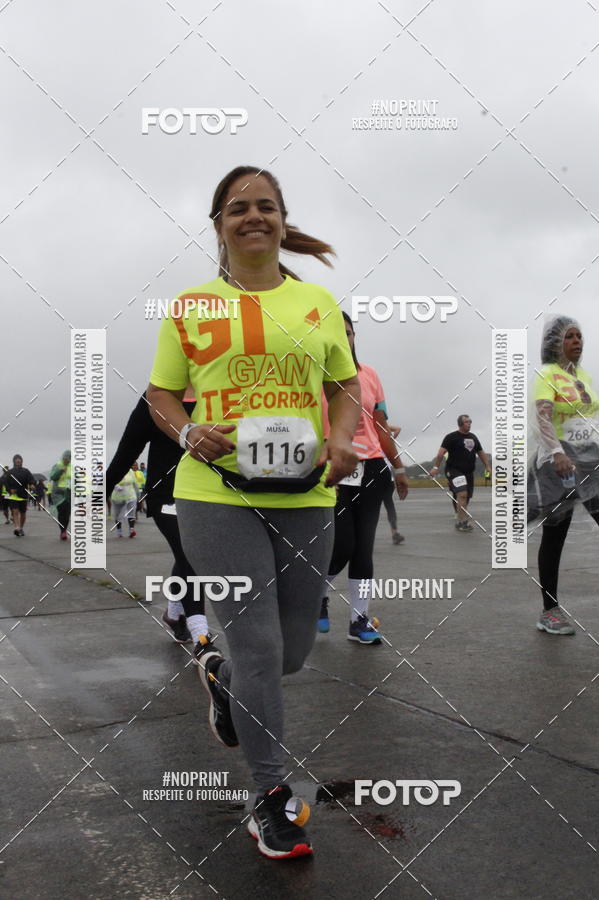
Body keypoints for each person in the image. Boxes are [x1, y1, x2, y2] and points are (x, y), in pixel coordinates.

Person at [147, 165, 360, 860]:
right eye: (238, 208)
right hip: (216, 495)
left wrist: (338, 438)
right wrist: (186, 431)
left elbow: (344, 388)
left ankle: (222, 679)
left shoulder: (319, 304)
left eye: (266, 206)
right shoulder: (191, 307)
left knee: (291, 653)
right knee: (263, 649)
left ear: (280, 220)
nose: (254, 217)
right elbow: (161, 395)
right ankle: (269, 798)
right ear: (219, 225)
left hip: (307, 496)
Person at [317, 314, 409, 640]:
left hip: (371, 468)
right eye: (337, 334)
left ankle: (359, 621)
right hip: (334, 468)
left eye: (349, 333)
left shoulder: (369, 375)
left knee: (363, 550)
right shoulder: (316, 375)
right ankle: (318, 595)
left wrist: (397, 467)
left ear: (355, 336)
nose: (344, 339)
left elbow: (381, 425)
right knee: (342, 545)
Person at [106, 391, 208, 643]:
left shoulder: (214, 389)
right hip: (166, 496)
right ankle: (202, 637)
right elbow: (128, 450)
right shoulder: (157, 399)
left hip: (206, 494)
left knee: (187, 555)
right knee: (191, 553)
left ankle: (174, 612)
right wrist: (100, 492)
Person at [528, 316, 599, 635]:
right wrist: (557, 453)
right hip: (558, 464)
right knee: (556, 535)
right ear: (555, 342)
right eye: (570, 336)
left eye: (579, 336)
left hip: (588, 460)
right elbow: (543, 418)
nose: (577, 341)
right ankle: (549, 611)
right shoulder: (548, 374)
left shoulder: (583, 375)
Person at [429, 415, 490, 532]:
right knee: (462, 494)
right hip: (454, 470)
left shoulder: (473, 437)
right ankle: (462, 522)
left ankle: (460, 515)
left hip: (469, 472)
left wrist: (487, 466)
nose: (469, 424)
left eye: (470, 421)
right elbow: (441, 453)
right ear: (460, 424)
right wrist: (436, 467)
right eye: (467, 422)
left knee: (466, 497)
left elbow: (480, 452)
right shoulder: (451, 437)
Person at [382, 425, 405, 545]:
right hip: (371, 476)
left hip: (386, 477)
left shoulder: (386, 442)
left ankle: (395, 532)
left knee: (389, 505)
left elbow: (398, 429)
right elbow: (397, 429)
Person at [2, 454, 35, 536]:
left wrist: (32, 484)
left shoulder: (26, 471)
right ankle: (16, 527)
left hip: (23, 495)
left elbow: (32, 479)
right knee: (15, 511)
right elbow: (6, 483)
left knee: (23, 514)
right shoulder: (10, 472)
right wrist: (10, 490)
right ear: (14, 461)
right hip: (14, 496)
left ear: (21, 461)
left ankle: (21, 528)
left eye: (19, 459)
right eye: (16, 460)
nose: (18, 461)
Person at [49, 451, 72, 540]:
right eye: (66, 458)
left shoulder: (71, 467)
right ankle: (63, 531)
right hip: (57, 493)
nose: (68, 460)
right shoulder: (57, 466)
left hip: (68, 492)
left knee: (67, 513)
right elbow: (52, 477)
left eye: (70, 459)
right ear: (63, 458)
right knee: (62, 510)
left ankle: (64, 529)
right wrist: (61, 470)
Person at [110, 468, 139, 538]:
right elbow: (110, 481)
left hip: (130, 495)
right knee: (117, 514)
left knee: (131, 513)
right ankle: (119, 531)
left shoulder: (131, 471)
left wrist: (138, 494)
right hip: (118, 496)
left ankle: (131, 530)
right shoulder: (114, 470)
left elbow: (135, 483)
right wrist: (116, 486)